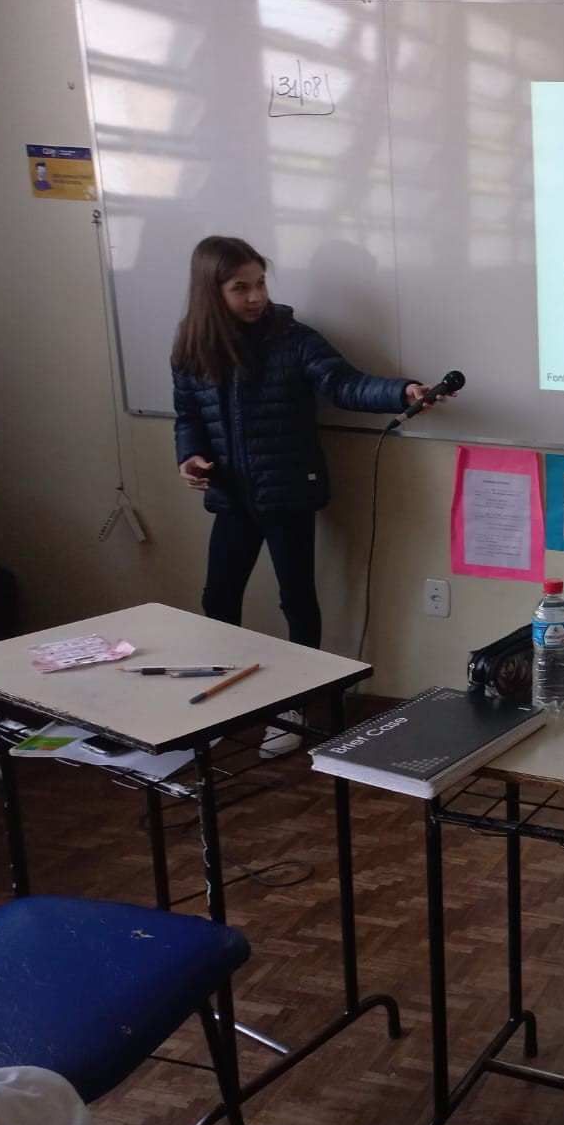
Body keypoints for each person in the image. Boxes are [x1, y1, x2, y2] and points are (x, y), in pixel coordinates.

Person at [172, 236, 442, 755]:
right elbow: (188, 416)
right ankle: (225, 700)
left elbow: (344, 385)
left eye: (260, 283)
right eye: (241, 287)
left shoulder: (293, 338)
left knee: (297, 598)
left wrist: (402, 391)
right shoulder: (191, 347)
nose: (256, 296)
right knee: (218, 598)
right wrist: (190, 457)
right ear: (211, 291)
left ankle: (294, 706)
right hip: (232, 498)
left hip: (290, 492)